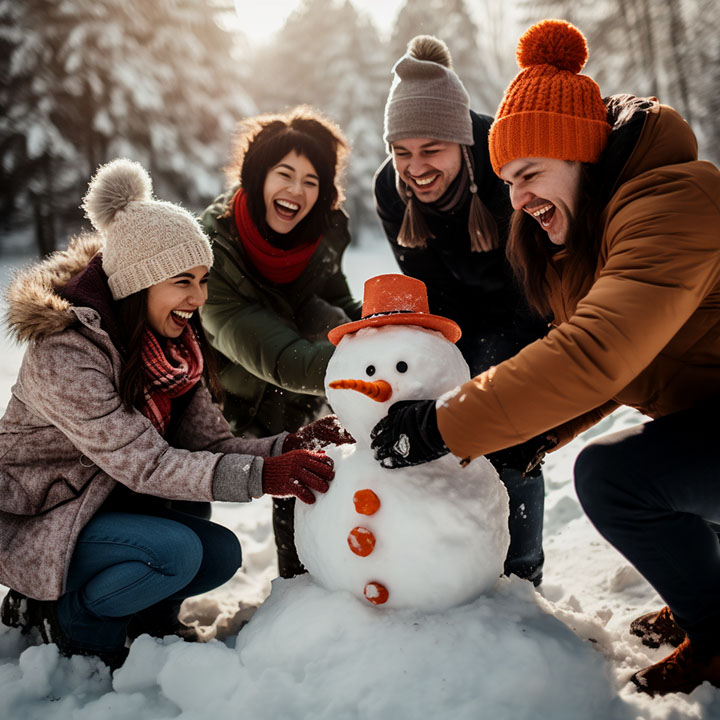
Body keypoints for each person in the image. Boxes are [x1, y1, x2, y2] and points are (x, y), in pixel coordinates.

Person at [370, 19, 720, 697]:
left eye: (530, 173)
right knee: (648, 467)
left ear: (580, 156)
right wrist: (544, 430)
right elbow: (629, 363)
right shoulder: (589, 223)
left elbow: (596, 350)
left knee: (615, 480)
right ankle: (703, 598)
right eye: (508, 180)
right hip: (706, 408)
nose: (519, 198)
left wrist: (440, 426)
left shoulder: (672, 203)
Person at [0, 158, 336, 669]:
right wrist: (265, 476)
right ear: (139, 283)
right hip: (46, 522)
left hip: (107, 504)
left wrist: (285, 447)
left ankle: (144, 622)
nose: (198, 298)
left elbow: (209, 446)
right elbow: (148, 465)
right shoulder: (65, 355)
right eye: (184, 281)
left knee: (220, 553)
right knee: (176, 552)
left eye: (203, 280)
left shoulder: (171, 348)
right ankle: (69, 621)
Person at [373, 35, 549, 585]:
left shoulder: (507, 174)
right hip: (459, 322)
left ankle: (522, 571)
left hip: (531, 314)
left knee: (504, 425)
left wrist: (487, 376)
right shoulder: (390, 188)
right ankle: (447, 562)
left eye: (431, 150)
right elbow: (426, 287)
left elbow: (536, 285)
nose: (415, 167)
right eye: (402, 151)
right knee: (428, 409)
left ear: (462, 142)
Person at [199, 107, 361, 579]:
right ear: (257, 177)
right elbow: (278, 356)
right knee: (180, 507)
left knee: (310, 462)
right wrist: (373, 371)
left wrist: (378, 330)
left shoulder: (321, 233)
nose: (296, 190)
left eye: (311, 180)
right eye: (284, 174)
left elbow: (336, 298)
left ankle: (303, 581)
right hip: (221, 398)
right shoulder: (213, 252)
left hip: (291, 394)